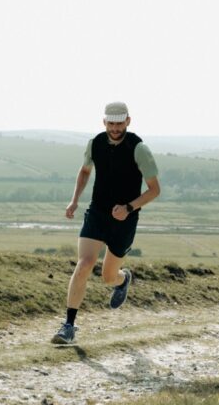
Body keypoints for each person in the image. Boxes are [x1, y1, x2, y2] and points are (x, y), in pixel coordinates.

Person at [51, 101, 160, 344]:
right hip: (98, 213)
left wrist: (129, 208)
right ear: (104, 122)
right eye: (111, 123)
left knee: (108, 276)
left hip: (125, 220)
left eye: (120, 123)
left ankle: (123, 279)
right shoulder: (95, 143)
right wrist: (74, 200)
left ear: (128, 121)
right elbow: (85, 171)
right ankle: (68, 326)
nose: (115, 128)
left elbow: (154, 190)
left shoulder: (138, 148)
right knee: (85, 263)